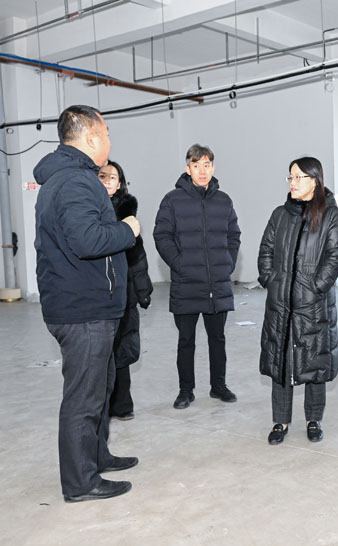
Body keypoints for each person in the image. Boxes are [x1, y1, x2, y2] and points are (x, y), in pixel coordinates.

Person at [34, 105, 140, 502]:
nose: (109, 140)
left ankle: (96, 456)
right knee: (84, 397)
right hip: (83, 310)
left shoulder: (69, 178)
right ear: (91, 137)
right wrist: (127, 229)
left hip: (89, 305)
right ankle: (81, 483)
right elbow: (87, 241)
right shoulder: (75, 182)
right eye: (106, 132)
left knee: (101, 386)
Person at [257, 157, 338, 445]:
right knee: (281, 361)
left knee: (314, 361)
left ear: (314, 181)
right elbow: (266, 250)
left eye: (298, 177)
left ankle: (313, 419)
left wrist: (316, 287)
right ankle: (280, 421)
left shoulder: (331, 215)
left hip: (314, 303)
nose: (292, 182)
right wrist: (270, 280)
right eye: (290, 177)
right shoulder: (280, 215)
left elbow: (336, 256)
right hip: (281, 301)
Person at [153, 144, 241, 409]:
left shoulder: (224, 200)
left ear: (213, 168)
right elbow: (162, 236)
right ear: (187, 168)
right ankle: (185, 390)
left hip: (217, 283)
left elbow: (233, 235)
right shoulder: (172, 200)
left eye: (206, 165)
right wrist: (179, 265)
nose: (202, 171)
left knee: (218, 338)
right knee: (186, 340)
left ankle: (218, 386)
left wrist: (227, 263)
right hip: (186, 283)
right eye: (196, 165)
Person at [99, 160, 153, 421]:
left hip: (124, 292)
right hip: (98, 293)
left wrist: (143, 290)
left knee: (122, 350)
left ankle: (122, 405)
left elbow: (137, 256)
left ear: (120, 183)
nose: (108, 181)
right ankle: (101, 406)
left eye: (113, 177)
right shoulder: (88, 210)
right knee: (100, 353)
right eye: (103, 176)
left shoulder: (128, 214)